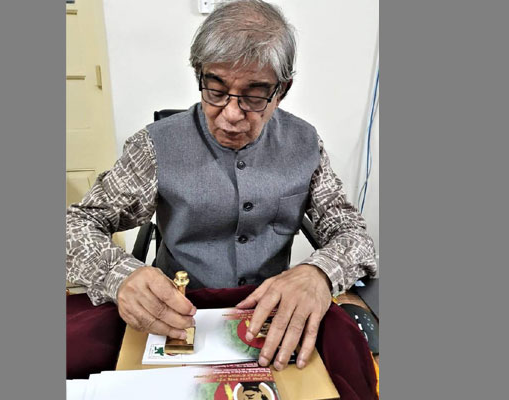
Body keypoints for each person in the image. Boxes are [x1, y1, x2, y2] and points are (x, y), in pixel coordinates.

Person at [66, 0, 377, 373]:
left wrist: (320, 273)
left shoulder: (305, 143)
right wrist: (118, 274)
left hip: (268, 315)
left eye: (254, 95)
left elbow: (352, 234)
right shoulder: (154, 146)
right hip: (179, 314)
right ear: (199, 75)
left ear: (282, 90)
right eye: (215, 90)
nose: (231, 115)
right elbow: (75, 225)